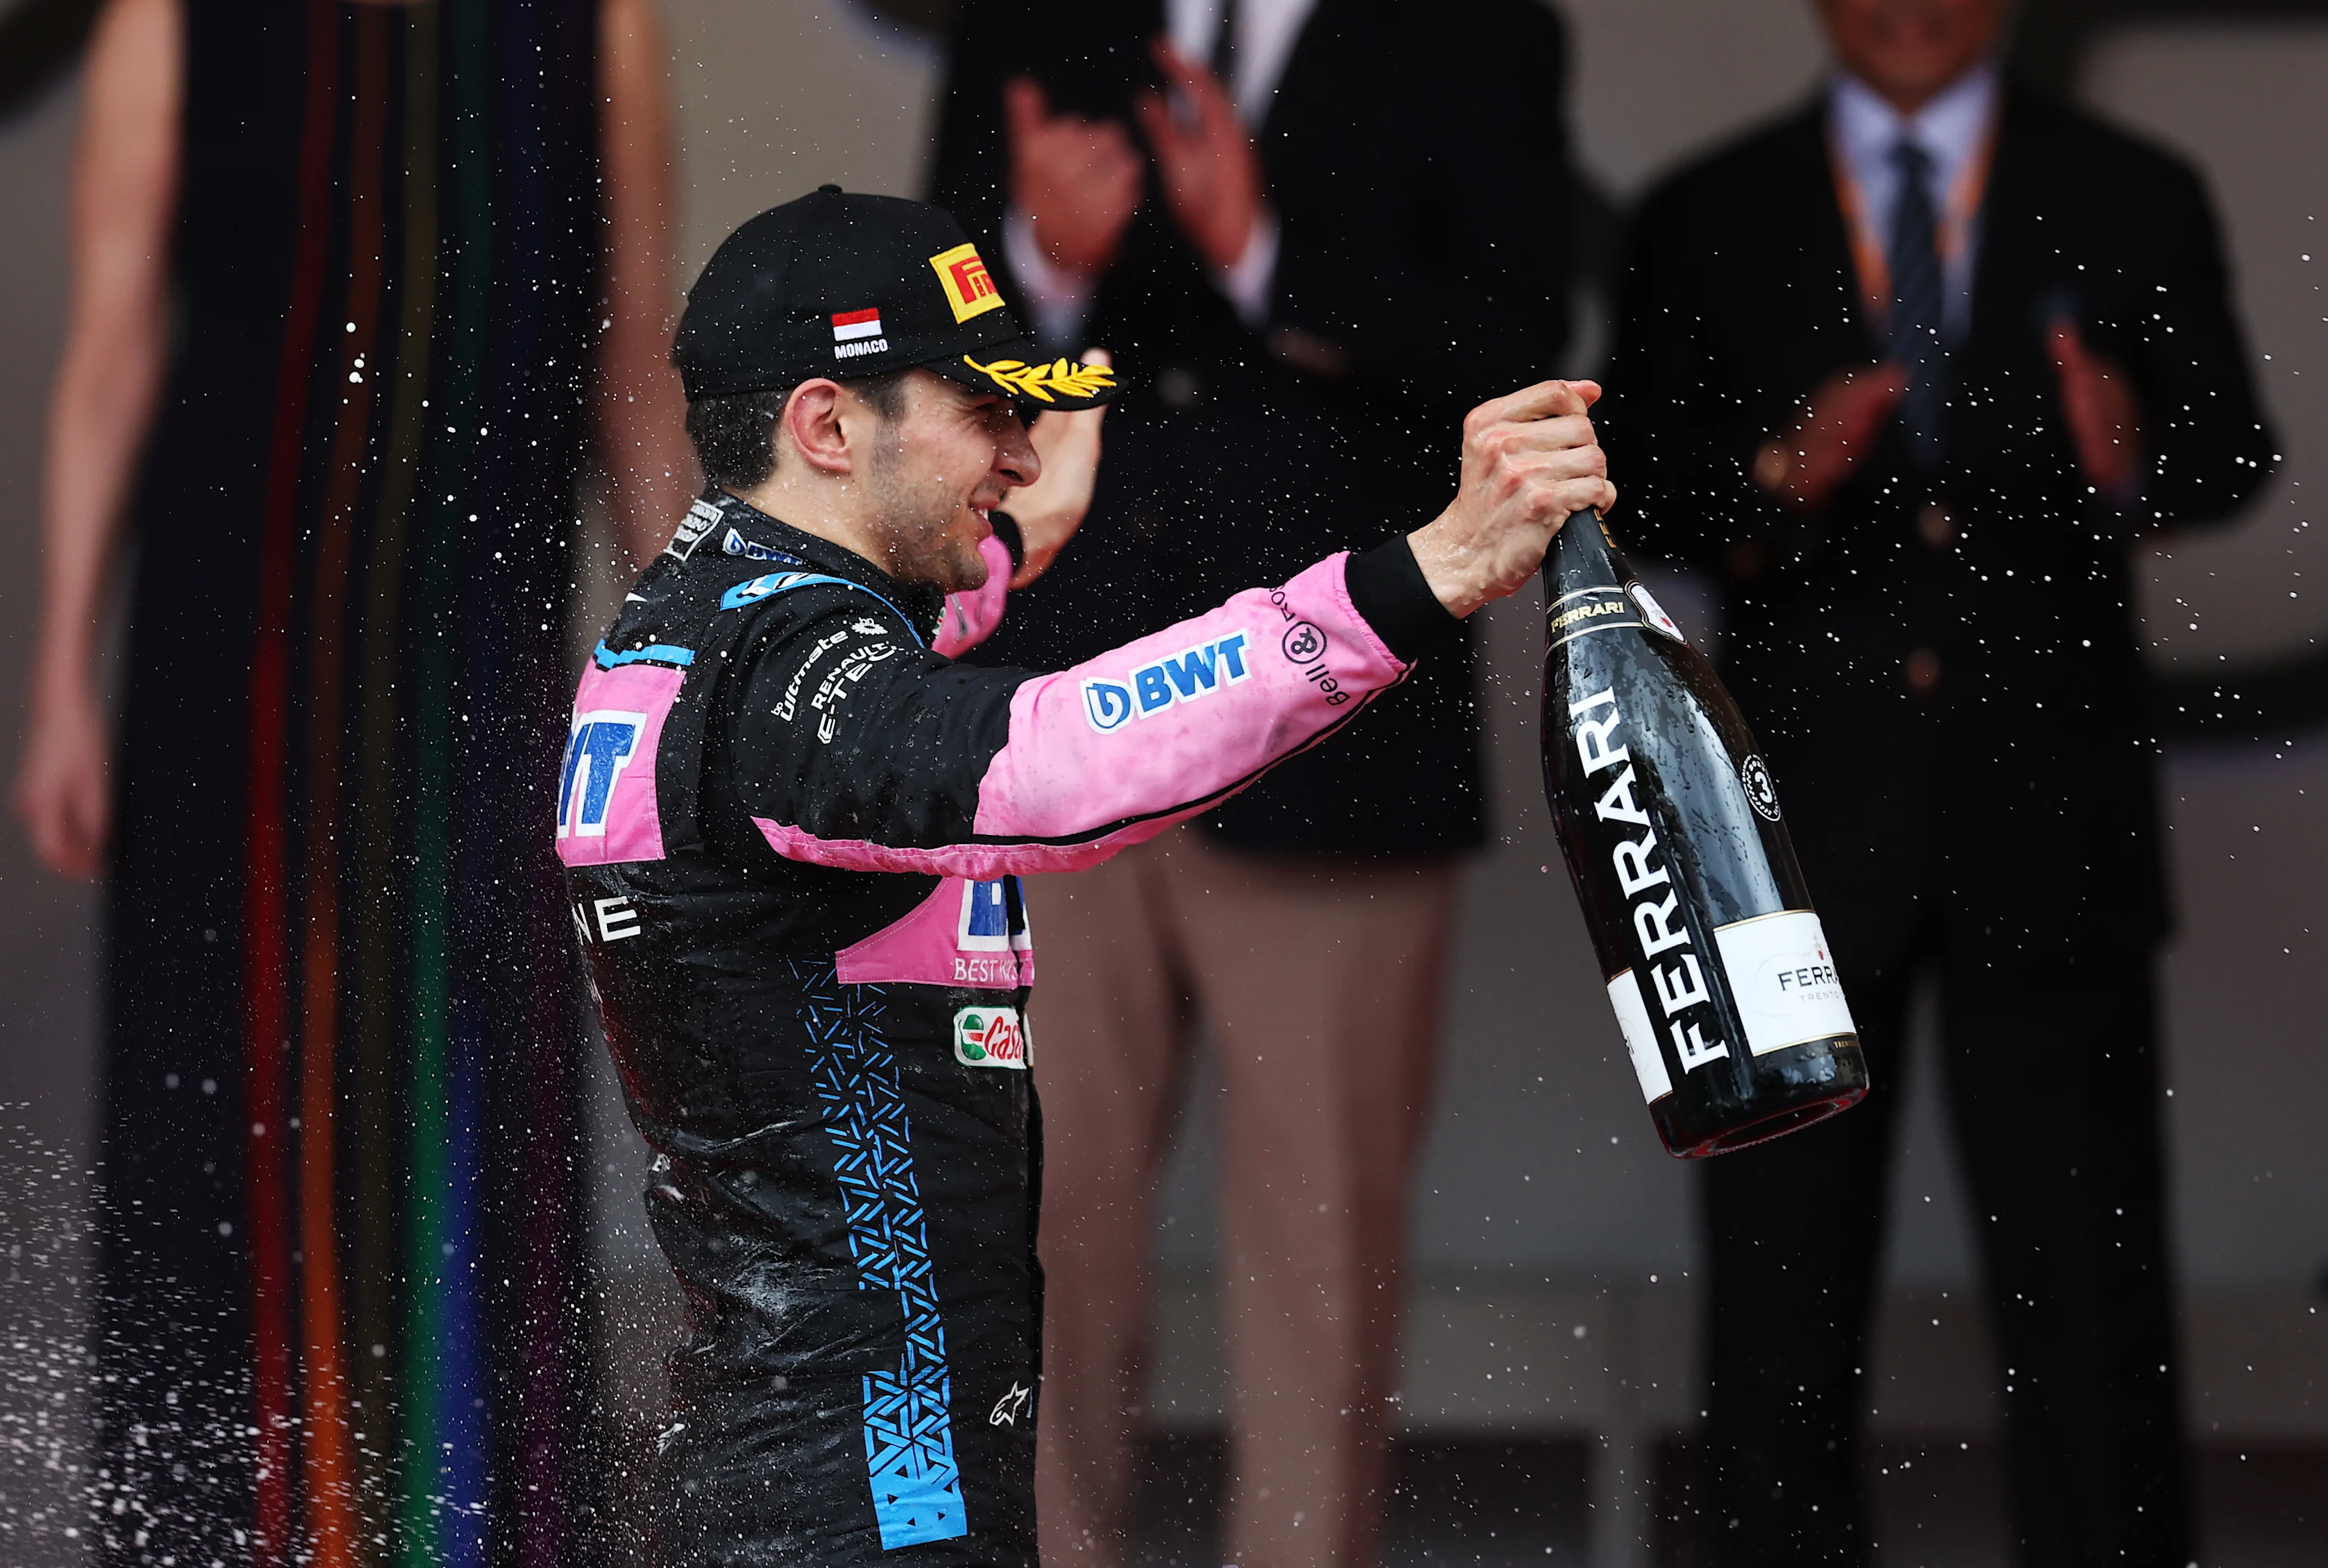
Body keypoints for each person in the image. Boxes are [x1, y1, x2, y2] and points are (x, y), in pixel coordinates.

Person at [563, 184, 1611, 1567]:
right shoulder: (785, 685)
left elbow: (875, 688)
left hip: (806, 1465)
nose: (1016, 450)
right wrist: (1421, 575)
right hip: (865, 1500)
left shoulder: (712, 620)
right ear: (824, 427)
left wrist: (1001, 546)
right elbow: (1046, 763)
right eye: (982, 412)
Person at [9, 0, 686, 1561]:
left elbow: (631, 366)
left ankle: (469, 1531)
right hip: (226, 681)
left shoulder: (597, 24)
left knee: (468, 1127)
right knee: (219, 1152)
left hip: (476, 685)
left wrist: (687, 675)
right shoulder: (169, 19)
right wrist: (58, 674)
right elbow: (113, 350)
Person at [1600, 1, 2275, 1562]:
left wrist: (2132, 457)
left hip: (2048, 817)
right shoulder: (1706, 204)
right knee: (1776, 1283)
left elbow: (2235, 447)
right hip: (1789, 839)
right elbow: (1629, 465)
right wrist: (1773, 471)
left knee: (2089, 1288)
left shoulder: (2131, 184)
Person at [924, 6, 1575, 1562]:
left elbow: (1516, 339)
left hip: (1336, 724)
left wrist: (1265, 253)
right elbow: (927, 315)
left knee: (1318, 1253)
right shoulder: (1024, 19)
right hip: (1057, 724)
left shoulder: (1488, 35)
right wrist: (1045, 258)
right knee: (1026, 1230)